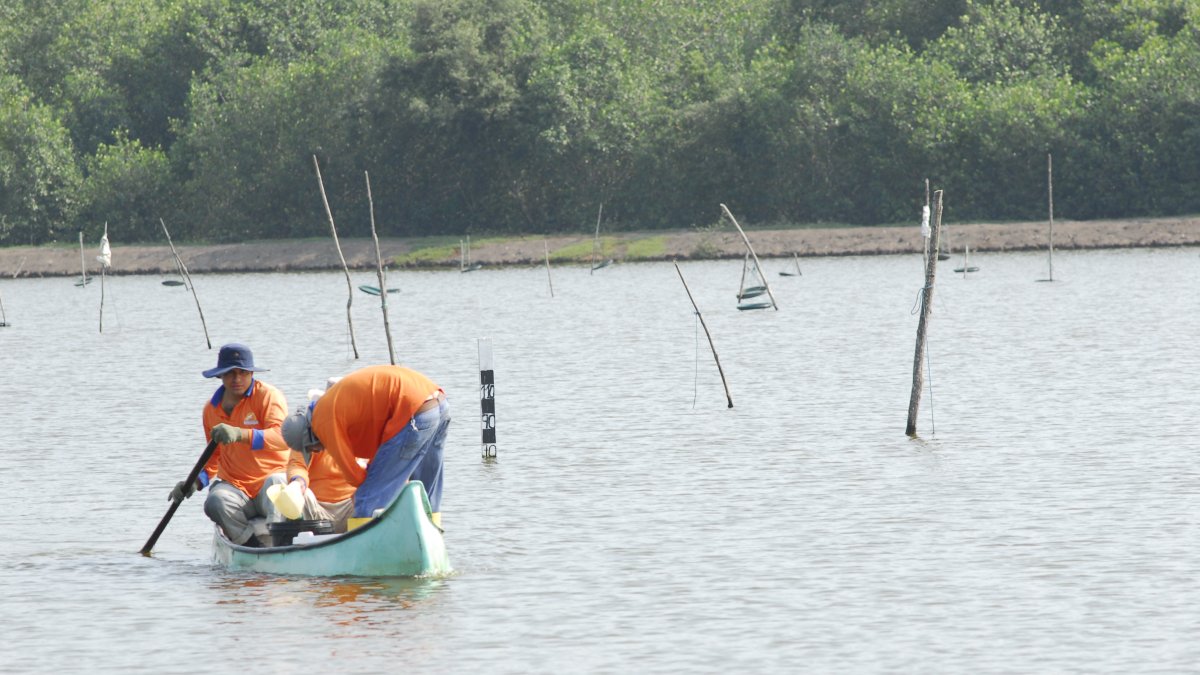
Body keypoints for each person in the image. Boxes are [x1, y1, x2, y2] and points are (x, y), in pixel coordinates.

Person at [281, 365, 449, 527]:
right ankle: (431, 542)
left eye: (310, 448)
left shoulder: (323, 420)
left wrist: (365, 491)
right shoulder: (354, 413)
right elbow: (383, 453)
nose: (316, 451)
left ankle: (364, 553)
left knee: (366, 500)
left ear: (307, 435)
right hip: (437, 401)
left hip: (413, 411)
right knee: (426, 495)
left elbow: (354, 476)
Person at [170, 343, 290, 546]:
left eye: (243, 373)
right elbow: (213, 457)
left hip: (269, 482)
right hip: (235, 487)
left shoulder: (268, 396)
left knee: (278, 484)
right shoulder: (211, 409)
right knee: (215, 502)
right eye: (230, 373)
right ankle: (251, 545)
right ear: (220, 376)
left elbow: (282, 437)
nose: (237, 379)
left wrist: (240, 434)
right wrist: (194, 482)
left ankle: (280, 543)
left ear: (251, 373)